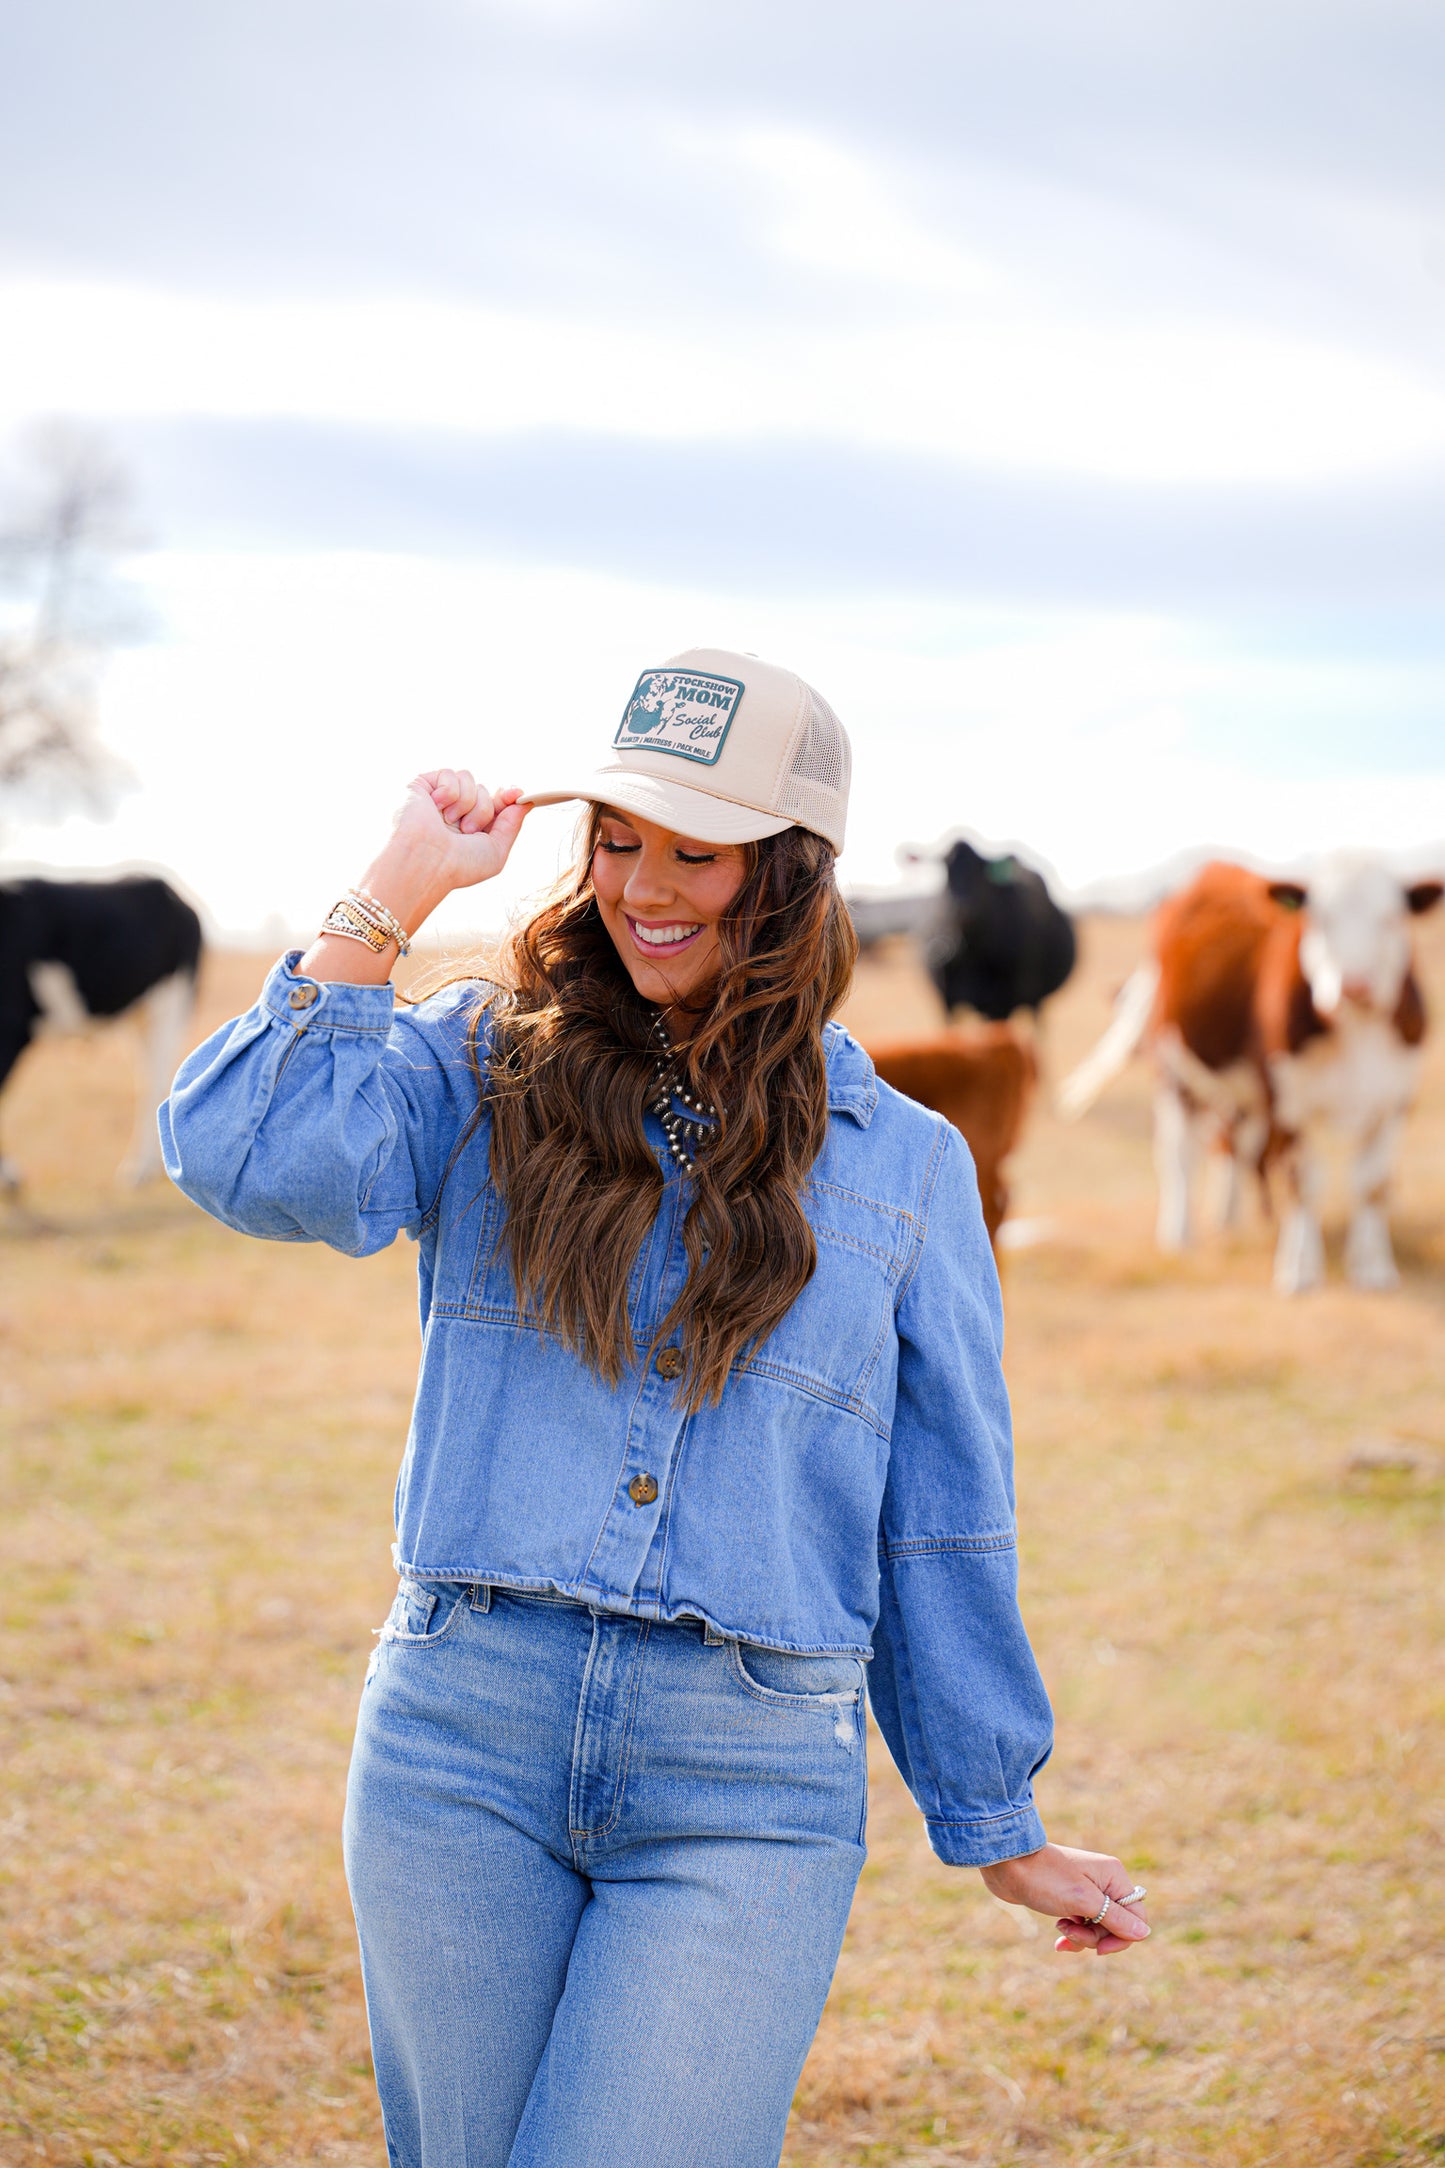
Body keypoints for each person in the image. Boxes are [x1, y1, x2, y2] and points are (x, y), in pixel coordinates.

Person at [161, 648, 1149, 2168]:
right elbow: (247, 1153)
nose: (643, 888)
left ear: (791, 871)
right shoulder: (482, 1064)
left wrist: (991, 1820)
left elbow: (939, 1519)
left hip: (746, 1784)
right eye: (618, 841)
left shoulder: (909, 1167)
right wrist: (396, 890)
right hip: (457, 1744)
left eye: (699, 850)